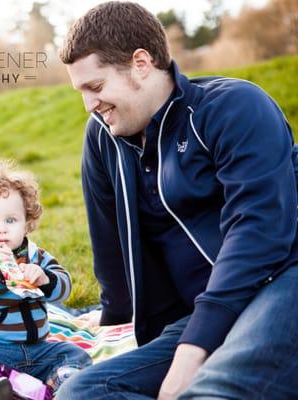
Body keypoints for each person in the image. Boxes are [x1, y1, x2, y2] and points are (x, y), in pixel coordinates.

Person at [56, 2, 298, 399]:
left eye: (95, 88)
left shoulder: (233, 107)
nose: (89, 106)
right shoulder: (102, 139)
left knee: (210, 390)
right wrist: (114, 333)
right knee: (83, 393)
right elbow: (111, 254)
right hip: (195, 318)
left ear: (140, 63)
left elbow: (261, 232)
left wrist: (192, 352)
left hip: (278, 284)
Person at [0, 160, 92, 399]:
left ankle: (60, 385)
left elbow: (64, 288)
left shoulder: (36, 257)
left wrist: (45, 279)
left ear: (27, 223)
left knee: (74, 354)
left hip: (39, 349)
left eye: (11, 220)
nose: (2, 229)